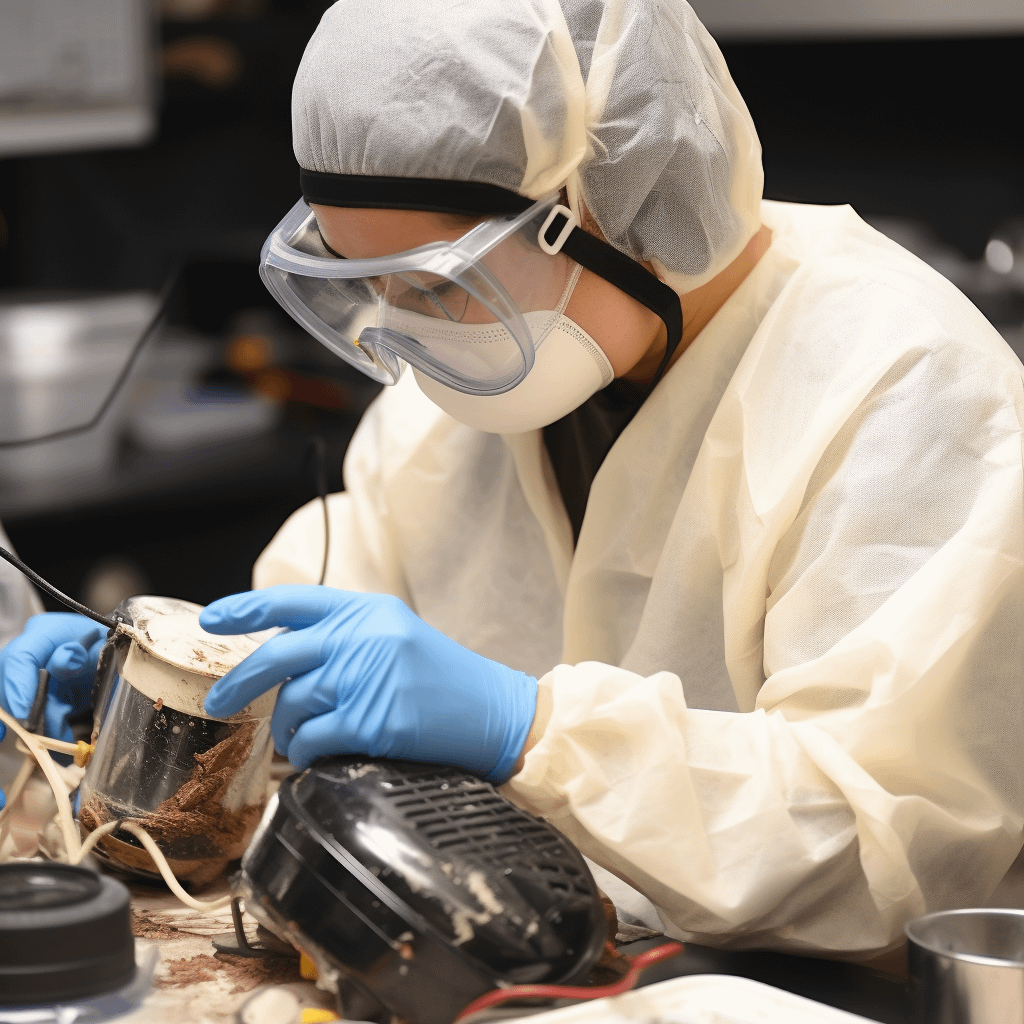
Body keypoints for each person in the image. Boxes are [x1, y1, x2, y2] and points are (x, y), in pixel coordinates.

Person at [4, 0, 1024, 959]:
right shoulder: (464, 389)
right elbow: (321, 651)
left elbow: (886, 852)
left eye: (438, 283)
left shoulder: (900, 386)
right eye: (370, 286)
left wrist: (527, 730)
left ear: (613, 204)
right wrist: (163, 697)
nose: (401, 332)